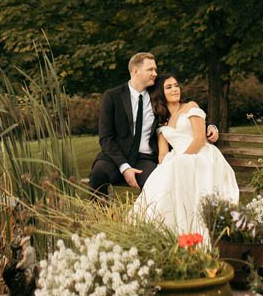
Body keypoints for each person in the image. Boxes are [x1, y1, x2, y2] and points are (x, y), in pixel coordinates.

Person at [88, 53, 219, 197]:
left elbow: (183, 109)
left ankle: (149, 218)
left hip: (146, 158)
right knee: (98, 174)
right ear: (135, 71)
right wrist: (124, 167)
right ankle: (98, 214)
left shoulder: (157, 93)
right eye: (150, 70)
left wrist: (210, 126)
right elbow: (105, 138)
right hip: (116, 157)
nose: (155, 74)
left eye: (155, 69)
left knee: (158, 187)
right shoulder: (112, 96)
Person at [134, 73, 239, 233]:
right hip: (177, 158)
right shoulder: (162, 121)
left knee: (178, 168)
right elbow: (162, 153)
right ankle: (161, 228)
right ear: (161, 93)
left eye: (176, 85)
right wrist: (164, 168)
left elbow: (199, 140)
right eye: (169, 87)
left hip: (201, 155)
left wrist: (181, 160)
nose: (175, 89)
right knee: (161, 181)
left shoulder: (191, 107)